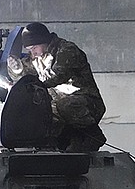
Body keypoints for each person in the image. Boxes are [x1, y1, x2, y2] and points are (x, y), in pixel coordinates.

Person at [7, 22, 107, 152]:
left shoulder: (67, 50)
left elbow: (56, 77)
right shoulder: (38, 56)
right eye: (30, 50)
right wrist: (16, 69)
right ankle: (63, 147)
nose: (33, 52)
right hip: (59, 105)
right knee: (43, 118)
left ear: (44, 41)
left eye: (34, 48)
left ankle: (94, 136)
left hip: (85, 103)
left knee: (65, 105)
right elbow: (25, 78)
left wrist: (31, 85)